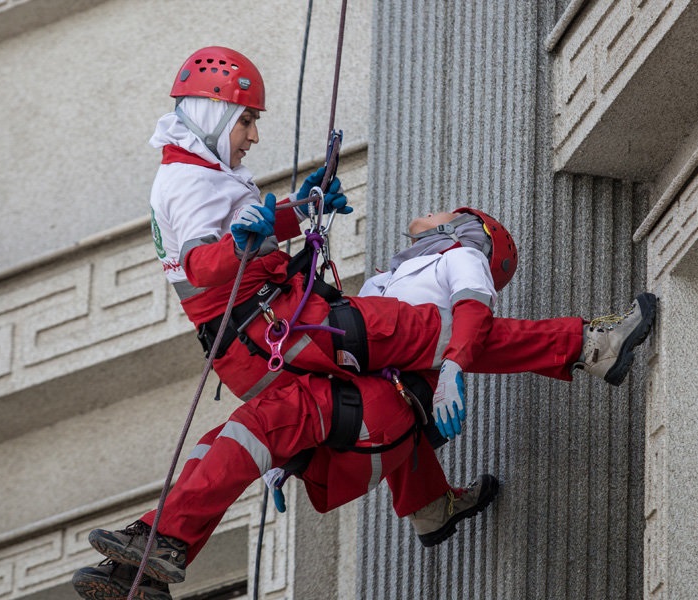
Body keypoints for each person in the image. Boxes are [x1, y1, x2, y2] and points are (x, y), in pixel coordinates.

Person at [71, 46, 656, 599]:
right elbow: (205, 262)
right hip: (285, 327)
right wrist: (267, 231)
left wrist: (298, 210)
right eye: (246, 119)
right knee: (426, 334)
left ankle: (146, 552)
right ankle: (588, 344)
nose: (252, 135)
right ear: (213, 109)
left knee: (246, 434)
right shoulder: (191, 180)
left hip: (264, 339)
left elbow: (229, 247)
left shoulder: (193, 173)